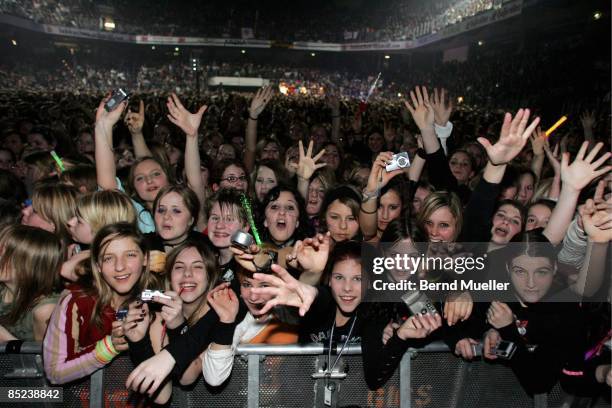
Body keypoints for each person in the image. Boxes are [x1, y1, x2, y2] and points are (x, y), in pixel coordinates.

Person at [123, 240, 233, 403]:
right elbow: (162, 397)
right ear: (169, 277)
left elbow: (187, 378)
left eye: (197, 266)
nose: (187, 274)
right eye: (179, 267)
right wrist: (138, 341)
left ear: (210, 275)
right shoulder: (158, 319)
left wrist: (177, 327)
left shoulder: (217, 315)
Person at [43, 223, 153, 384]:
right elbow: (55, 372)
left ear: (145, 259)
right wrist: (110, 346)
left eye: (130, 255)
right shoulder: (77, 301)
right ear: (97, 266)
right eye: (108, 258)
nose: (120, 266)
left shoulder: (156, 299)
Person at [0, 225, 63, 341]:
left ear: (30, 265)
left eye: (6, 254)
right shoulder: (3, 288)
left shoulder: (44, 309)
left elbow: (42, 358)